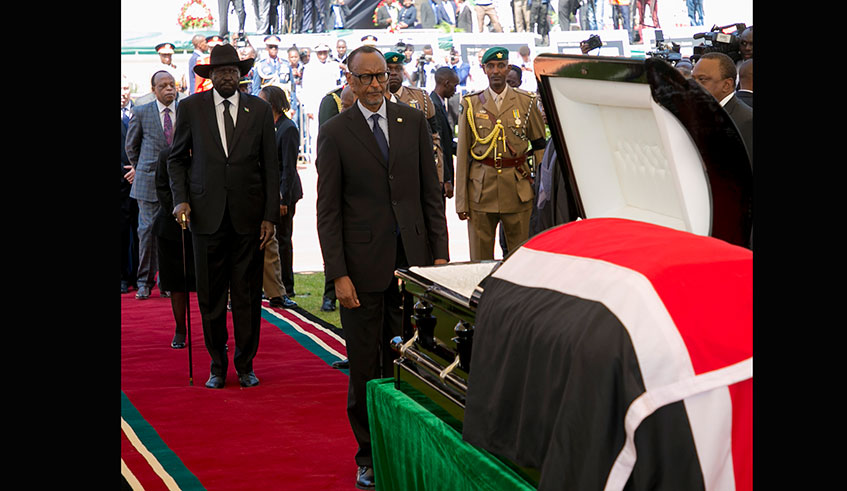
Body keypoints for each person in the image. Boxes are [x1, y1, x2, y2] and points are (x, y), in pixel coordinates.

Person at [315, 45, 449, 490]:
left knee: (412, 361)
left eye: (380, 76)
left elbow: (431, 195)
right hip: (360, 272)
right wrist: (338, 275)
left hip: (413, 267)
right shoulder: (335, 131)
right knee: (365, 368)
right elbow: (328, 210)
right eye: (365, 77)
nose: (375, 84)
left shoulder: (412, 122)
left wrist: (440, 261)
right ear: (350, 80)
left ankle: (413, 446)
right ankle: (369, 455)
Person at [168, 43, 280, 390]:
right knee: (211, 296)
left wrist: (269, 216)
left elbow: (271, 167)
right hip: (205, 217)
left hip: (249, 220)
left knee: (247, 295)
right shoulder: (191, 108)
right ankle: (217, 365)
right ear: (210, 77)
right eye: (220, 71)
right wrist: (181, 200)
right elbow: (176, 159)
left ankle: (246, 364)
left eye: (233, 71)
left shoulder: (259, 110)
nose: (227, 76)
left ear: (241, 74)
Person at [455, 47, 546, 261]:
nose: (496, 71)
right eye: (491, 66)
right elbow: (462, 155)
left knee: (520, 259)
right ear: (484, 70)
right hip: (481, 190)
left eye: (501, 65)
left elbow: (539, 145)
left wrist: (540, 188)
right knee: (479, 260)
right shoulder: (471, 103)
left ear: (507, 68)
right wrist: (462, 201)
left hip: (517, 189)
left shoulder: (527, 101)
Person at [125, 70, 180, 300]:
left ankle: (168, 282)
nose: (169, 89)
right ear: (153, 90)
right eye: (164, 86)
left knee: (171, 235)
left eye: (172, 85)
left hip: (177, 185)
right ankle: (144, 282)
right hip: (148, 182)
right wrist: (143, 168)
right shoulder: (141, 112)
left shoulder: (185, 111)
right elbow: (131, 146)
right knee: (147, 232)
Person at [260, 85, 303, 302]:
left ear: (274, 104)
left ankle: (287, 286)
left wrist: (283, 198)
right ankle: (271, 284)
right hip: (270, 192)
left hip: (285, 193)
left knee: (283, 240)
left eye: (263, 101)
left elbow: (288, 166)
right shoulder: (270, 126)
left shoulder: (288, 128)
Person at [154, 146, 197, 349]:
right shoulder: (166, 155)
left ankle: (214, 332)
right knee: (177, 283)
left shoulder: (205, 152)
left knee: (208, 281)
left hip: (204, 225)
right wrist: (179, 211)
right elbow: (162, 187)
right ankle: (180, 329)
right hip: (172, 228)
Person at [385, 51, 444, 190]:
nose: (394, 73)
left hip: (416, 170)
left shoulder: (421, 97)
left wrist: (439, 176)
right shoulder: (375, 100)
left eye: (398, 69)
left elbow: (434, 138)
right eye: (389, 69)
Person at [692, 52, 753, 164]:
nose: (693, 86)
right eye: (692, 79)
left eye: (702, 79)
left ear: (726, 85)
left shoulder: (747, 121)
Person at [121, 76, 139, 295]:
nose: (123, 92)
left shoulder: (141, 112)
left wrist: (138, 169)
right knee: (122, 232)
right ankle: (123, 276)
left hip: (140, 180)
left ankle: (138, 276)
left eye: (125, 88)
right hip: (121, 183)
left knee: (141, 232)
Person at [431, 67, 460, 201]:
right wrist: (446, 179)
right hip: (440, 177)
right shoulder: (434, 106)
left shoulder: (439, 104)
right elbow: (439, 145)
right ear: (446, 83)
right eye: (455, 85)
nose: (455, 90)